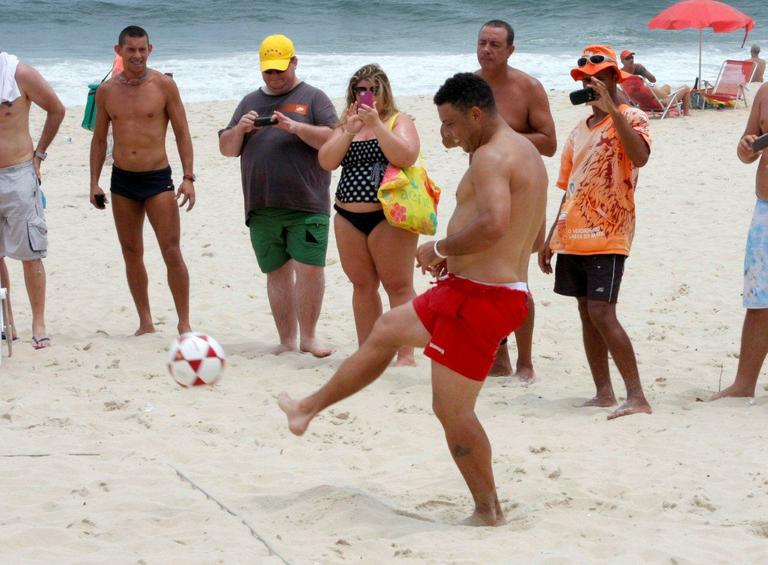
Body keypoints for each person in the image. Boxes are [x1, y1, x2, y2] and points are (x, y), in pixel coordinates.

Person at [279, 73, 548, 526]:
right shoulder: (526, 153)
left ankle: (488, 511)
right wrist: (465, 259)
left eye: (450, 125)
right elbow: (533, 234)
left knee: (451, 411)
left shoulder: (490, 156)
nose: (445, 136)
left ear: (476, 115)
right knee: (387, 329)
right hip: (472, 289)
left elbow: (497, 223)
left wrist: (442, 248)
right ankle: (307, 409)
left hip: (484, 299)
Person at [538, 45, 653, 420]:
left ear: (612, 79)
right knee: (586, 312)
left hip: (610, 231)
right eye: (587, 80)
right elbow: (570, 186)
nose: (591, 85)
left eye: (599, 78)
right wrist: (551, 236)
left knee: (603, 312)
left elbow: (639, 157)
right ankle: (603, 392)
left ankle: (636, 396)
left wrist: (612, 109)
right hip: (573, 233)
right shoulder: (575, 132)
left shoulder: (632, 117)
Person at [443, 19, 556, 381]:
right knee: (482, 271)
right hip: (483, 184)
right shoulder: (468, 88)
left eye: (495, 44)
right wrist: (454, 132)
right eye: (482, 43)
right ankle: (500, 357)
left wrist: (503, 138)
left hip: (522, 182)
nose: (487, 50)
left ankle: (525, 362)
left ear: (510, 50)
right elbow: (450, 135)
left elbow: (549, 143)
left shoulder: (528, 88)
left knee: (516, 273)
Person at [219, 34, 337, 357]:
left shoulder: (314, 99)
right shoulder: (248, 102)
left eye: (280, 70)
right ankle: (287, 340)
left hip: (307, 202)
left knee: (309, 269)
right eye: (268, 71)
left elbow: (334, 139)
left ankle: (309, 337)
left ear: (294, 63)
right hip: (261, 205)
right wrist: (239, 130)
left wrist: (296, 128)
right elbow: (226, 149)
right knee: (276, 272)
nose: (274, 76)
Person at [90, 25, 195, 336]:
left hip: (157, 179)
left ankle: (184, 322)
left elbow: (182, 133)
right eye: (130, 50)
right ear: (119, 51)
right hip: (122, 181)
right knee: (131, 252)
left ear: (150, 49)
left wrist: (188, 177)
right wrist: (93, 182)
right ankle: (145, 321)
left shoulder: (164, 86)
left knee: (171, 250)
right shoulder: (106, 91)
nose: (136, 55)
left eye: (141, 49)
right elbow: (98, 141)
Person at [318, 64, 420, 365]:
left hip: (388, 213)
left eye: (372, 89)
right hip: (347, 213)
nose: (366, 95)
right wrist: (349, 130)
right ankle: (370, 350)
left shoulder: (397, 121)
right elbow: (326, 161)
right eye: (360, 90)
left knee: (398, 285)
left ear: (384, 91)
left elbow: (405, 155)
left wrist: (376, 124)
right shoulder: (345, 124)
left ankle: (405, 354)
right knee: (362, 285)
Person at [0, 51, 64, 348]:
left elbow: (56, 109)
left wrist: (39, 156)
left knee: (30, 252)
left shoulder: (18, 74)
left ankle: (38, 323)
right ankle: (7, 322)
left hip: (18, 174)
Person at [710, 82, 768, 401]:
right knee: (759, 297)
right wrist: (748, 147)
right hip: (766, 208)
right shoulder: (764, 94)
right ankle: (744, 383)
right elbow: (745, 151)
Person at [620, 50, 692, 115]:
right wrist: (643, 71)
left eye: (632, 57)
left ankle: (668, 108)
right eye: (628, 58)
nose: (631, 60)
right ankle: (686, 114)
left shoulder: (621, 75)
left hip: (642, 105)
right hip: (659, 104)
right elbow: (653, 80)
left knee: (666, 86)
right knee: (685, 88)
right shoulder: (638, 68)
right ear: (622, 61)